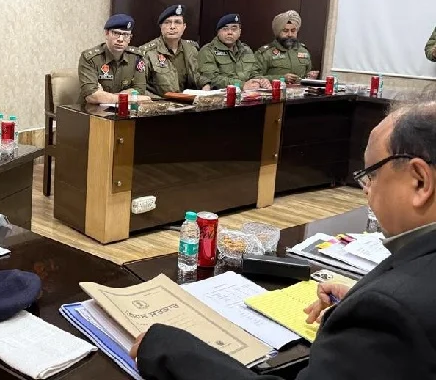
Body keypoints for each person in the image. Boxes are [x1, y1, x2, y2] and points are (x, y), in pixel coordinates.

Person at [129, 100, 436, 380]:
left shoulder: (389, 312)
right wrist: (357, 306)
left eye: (372, 175)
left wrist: (173, 351)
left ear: (420, 181)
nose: (366, 189)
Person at [77, 14, 151, 104]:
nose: (120, 39)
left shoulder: (136, 57)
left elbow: (139, 89)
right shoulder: (90, 58)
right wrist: (129, 97)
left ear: (130, 38)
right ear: (106, 34)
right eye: (116, 33)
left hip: (122, 109)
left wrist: (105, 97)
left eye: (126, 35)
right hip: (90, 110)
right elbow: (91, 96)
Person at [140, 5, 205, 95]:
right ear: (161, 26)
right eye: (167, 22)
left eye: (177, 22)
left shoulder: (192, 49)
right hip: (160, 101)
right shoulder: (147, 52)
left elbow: (199, 76)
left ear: (184, 27)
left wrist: (205, 86)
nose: (172, 27)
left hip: (189, 100)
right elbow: (139, 87)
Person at [198, 14, 271, 90]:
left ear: (240, 32)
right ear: (218, 32)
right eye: (225, 29)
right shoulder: (208, 51)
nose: (230, 32)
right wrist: (241, 85)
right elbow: (211, 79)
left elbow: (254, 72)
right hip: (223, 94)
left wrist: (260, 80)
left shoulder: (246, 50)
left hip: (247, 93)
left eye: (234, 29)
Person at [255, 10, 320, 83]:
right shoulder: (266, 53)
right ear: (278, 32)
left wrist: (310, 76)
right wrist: (281, 78)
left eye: (293, 31)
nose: (290, 34)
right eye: (285, 31)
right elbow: (254, 77)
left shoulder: (303, 51)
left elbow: (305, 75)